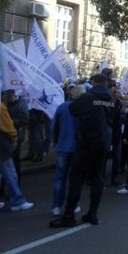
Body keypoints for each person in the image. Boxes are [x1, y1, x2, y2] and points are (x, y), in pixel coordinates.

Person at [50, 74, 114, 227]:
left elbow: (73, 109)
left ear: (93, 82)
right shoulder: (110, 99)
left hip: (87, 142)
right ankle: (92, 213)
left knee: (76, 179)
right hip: (103, 143)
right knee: (97, 178)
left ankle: (69, 216)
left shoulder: (88, 97)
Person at [0, 102, 34, 213]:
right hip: (2, 143)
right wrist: (14, 136)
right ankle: (18, 200)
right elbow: (7, 126)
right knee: (9, 172)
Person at [49, 85, 85, 216]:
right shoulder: (83, 108)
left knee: (60, 178)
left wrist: (56, 141)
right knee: (75, 178)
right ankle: (73, 204)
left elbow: (53, 127)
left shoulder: (62, 107)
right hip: (77, 148)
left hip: (62, 147)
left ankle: (56, 205)